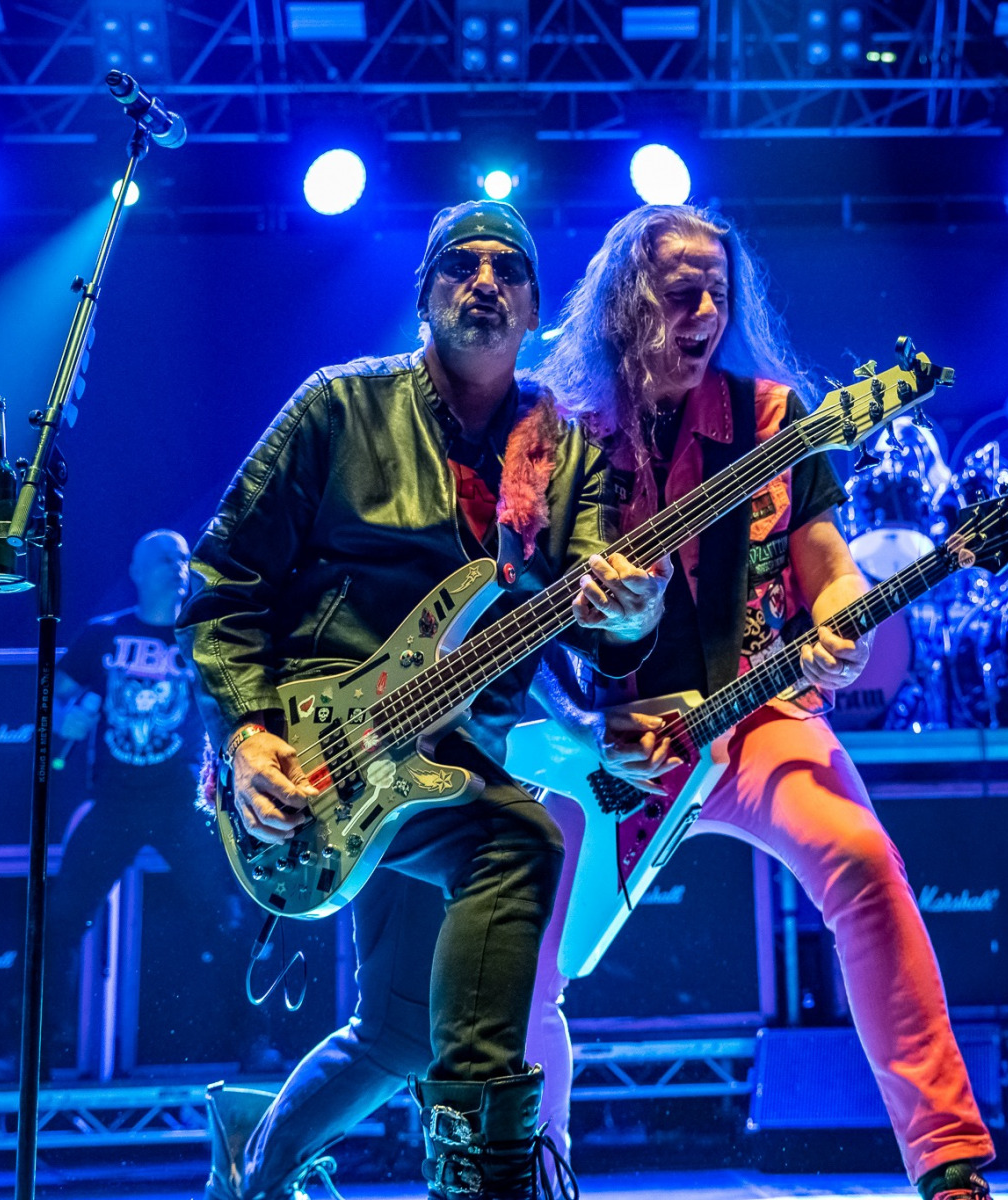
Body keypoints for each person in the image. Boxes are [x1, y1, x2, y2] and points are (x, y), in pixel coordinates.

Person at [177, 200, 667, 1200]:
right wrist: (247, 736)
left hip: (451, 758)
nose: (483, 282)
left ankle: (253, 1166)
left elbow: (592, 622)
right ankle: (480, 1170)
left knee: (400, 1031)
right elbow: (223, 581)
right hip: (321, 751)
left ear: (534, 306)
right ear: (424, 294)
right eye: (460, 265)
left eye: (506, 269)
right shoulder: (339, 408)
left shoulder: (563, 447)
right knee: (519, 840)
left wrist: (630, 615)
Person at [525, 204, 996, 1200]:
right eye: (679, 292)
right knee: (521, 951)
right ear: (623, 303)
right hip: (596, 740)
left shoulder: (776, 420)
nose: (704, 312)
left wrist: (840, 627)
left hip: (751, 717)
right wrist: (581, 719)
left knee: (863, 863)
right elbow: (514, 614)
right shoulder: (555, 433)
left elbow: (829, 569)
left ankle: (949, 1164)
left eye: (718, 294)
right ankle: (530, 1172)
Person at [46, 528, 225, 1077]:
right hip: (115, 800)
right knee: (59, 918)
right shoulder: (105, 634)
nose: (178, 566)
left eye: (183, 558)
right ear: (137, 570)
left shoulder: (203, 636)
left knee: (225, 913)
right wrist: (65, 717)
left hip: (183, 802)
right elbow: (52, 695)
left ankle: (249, 1043)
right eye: (165, 557)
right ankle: (36, 1051)